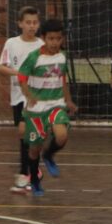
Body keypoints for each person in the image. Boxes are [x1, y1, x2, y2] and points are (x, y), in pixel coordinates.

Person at [17, 19, 77, 196]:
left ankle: (49, 155)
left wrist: (69, 100)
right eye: (51, 39)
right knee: (34, 149)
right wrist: (29, 95)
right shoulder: (34, 57)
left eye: (58, 39)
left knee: (62, 136)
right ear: (43, 38)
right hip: (36, 110)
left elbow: (63, 79)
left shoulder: (62, 56)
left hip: (56, 104)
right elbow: (21, 78)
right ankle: (34, 180)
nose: (54, 43)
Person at [0, 6, 44, 193]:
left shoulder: (41, 45)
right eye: (28, 22)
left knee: (26, 135)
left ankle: (24, 176)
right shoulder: (11, 43)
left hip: (34, 99)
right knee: (26, 136)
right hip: (18, 98)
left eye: (35, 23)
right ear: (20, 24)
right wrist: (18, 73)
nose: (32, 26)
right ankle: (34, 170)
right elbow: (1, 67)